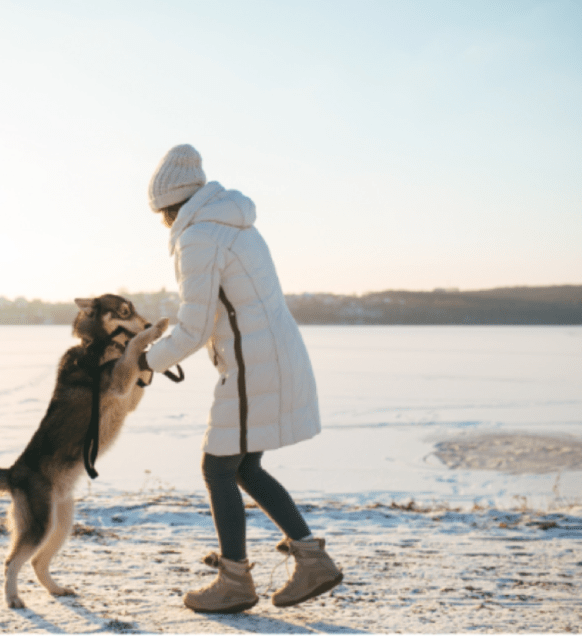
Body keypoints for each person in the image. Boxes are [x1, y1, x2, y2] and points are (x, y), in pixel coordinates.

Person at [139, 144, 343, 614]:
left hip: (254, 367)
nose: (163, 223)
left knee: (217, 466)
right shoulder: (234, 224)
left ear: (171, 206)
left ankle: (235, 580)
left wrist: (143, 363)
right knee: (243, 468)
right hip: (269, 358)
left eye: (161, 213)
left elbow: (193, 325)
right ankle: (312, 561)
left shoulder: (199, 236)